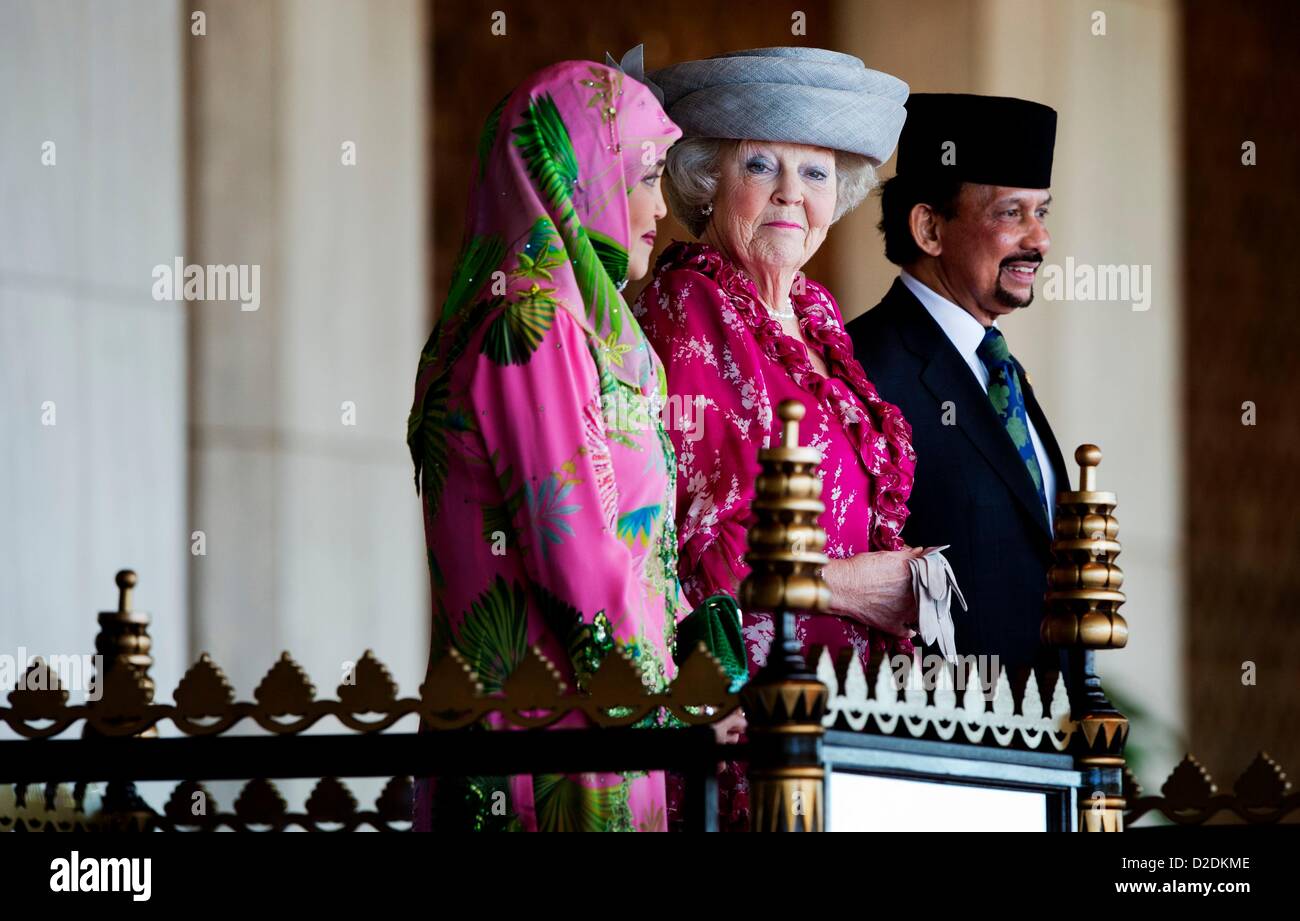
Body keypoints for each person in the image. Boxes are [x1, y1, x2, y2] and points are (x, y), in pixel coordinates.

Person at [406, 59, 683, 831]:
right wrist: (667, 709)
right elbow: (578, 559)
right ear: (583, 173)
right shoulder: (530, 327)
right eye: (645, 173)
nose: (661, 204)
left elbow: (640, 552)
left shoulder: (578, 327)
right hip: (552, 749)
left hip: (593, 721)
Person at [847, 93, 1069, 678]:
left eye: (1042, 212)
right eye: (1010, 213)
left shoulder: (1000, 368)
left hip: (1041, 739)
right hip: (932, 742)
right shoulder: (859, 367)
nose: (1039, 240)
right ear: (929, 227)